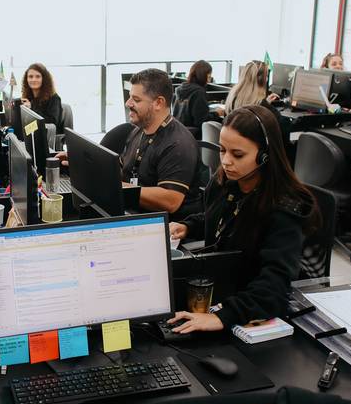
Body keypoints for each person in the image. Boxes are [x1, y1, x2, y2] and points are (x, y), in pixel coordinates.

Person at [168, 105, 320, 332]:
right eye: (222, 150)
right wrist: (188, 226)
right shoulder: (225, 182)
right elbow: (219, 217)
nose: (226, 161)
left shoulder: (284, 208)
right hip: (222, 286)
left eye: (237, 154)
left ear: (265, 155)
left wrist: (222, 317)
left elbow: (274, 286)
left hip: (251, 306)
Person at [121, 69, 202, 221]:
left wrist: (119, 187)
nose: (128, 103)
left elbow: (170, 201)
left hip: (167, 226)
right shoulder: (139, 131)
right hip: (135, 215)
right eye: (130, 97)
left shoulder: (178, 144)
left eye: (136, 99)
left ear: (158, 103)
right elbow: (123, 169)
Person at [172, 60, 220, 132]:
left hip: (179, 131)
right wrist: (217, 113)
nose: (210, 79)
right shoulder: (198, 92)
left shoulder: (180, 89)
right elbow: (201, 120)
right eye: (209, 75)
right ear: (204, 75)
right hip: (193, 134)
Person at [20, 63, 64, 133]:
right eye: (30, 76)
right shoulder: (28, 97)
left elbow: (52, 122)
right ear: (26, 79)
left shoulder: (54, 98)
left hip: (48, 136)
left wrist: (31, 109)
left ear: (44, 79)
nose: (34, 79)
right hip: (32, 133)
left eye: (38, 76)